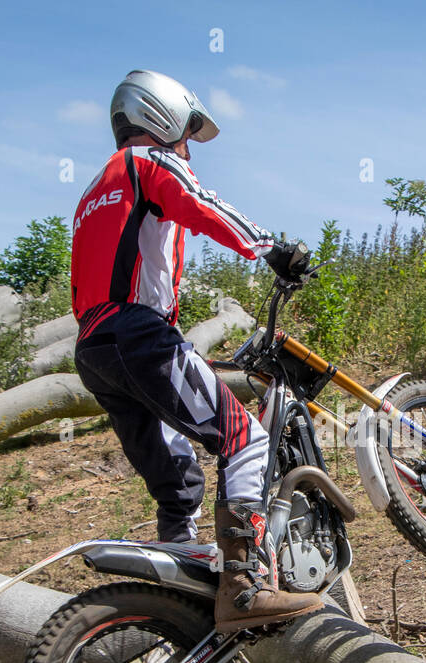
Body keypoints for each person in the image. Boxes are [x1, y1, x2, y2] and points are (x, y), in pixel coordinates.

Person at [69, 69, 321, 633]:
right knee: (245, 439)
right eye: (186, 136)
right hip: (139, 337)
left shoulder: (95, 190)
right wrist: (270, 248)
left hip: (95, 350)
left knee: (179, 482)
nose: (189, 151)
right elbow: (199, 203)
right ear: (160, 120)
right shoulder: (149, 163)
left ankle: (176, 609)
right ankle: (245, 587)